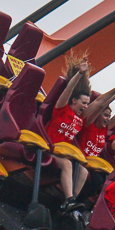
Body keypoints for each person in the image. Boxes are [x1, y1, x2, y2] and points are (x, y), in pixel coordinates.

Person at [46, 58, 91, 212]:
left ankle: (71, 203)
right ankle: (69, 199)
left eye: (87, 104)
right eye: (83, 103)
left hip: (63, 153)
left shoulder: (79, 121)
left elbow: (99, 106)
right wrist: (79, 74)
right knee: (67, 164)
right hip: (49, 149)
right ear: (73, 101)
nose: (85, 106)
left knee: (83, 171)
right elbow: (67, 91)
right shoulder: (62, 109)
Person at [79, 76, 115, 159]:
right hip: (80, 160)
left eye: (109, 116)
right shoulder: (88, 124)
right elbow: (100, 105)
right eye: (106, 115)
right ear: (98, 115)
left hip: (92, 164)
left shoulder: (104, 129)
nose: (108, 119)